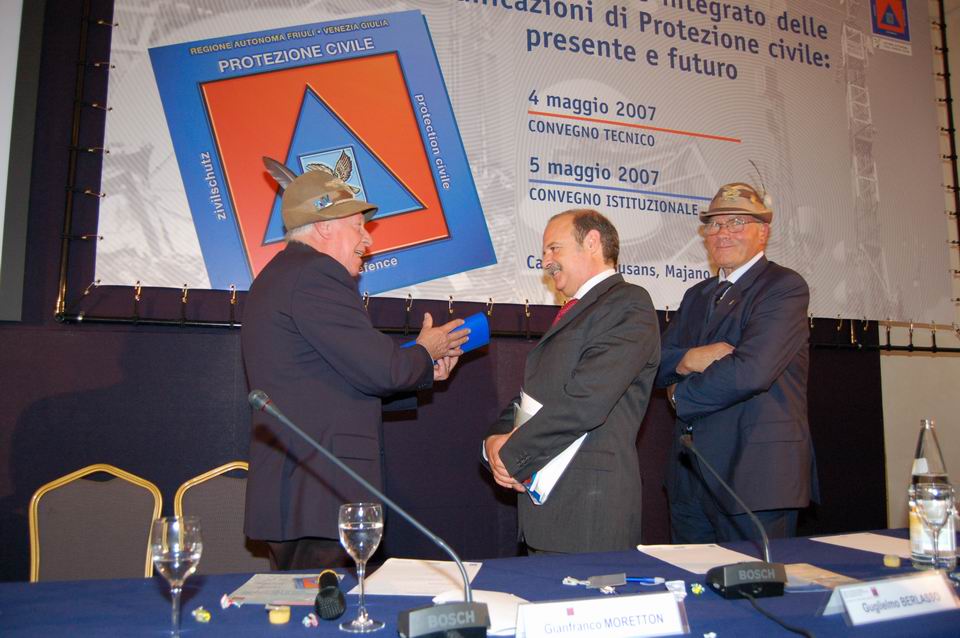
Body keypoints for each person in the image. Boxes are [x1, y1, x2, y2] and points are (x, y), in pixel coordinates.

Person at [242, 159, 468, 570]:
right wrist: (425, 350)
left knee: (308, 607)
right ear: (324, 226)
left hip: (301, 495)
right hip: (319, 494)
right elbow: (380, 370)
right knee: (332, 607)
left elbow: (338, 379)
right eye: (358, 226)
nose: (367, 239)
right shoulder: (316, 274)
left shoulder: (282, 276)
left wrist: (421, 372)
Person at [484, 209, 660, 554]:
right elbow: (534, 397)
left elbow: (586, 401)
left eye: (554, 248)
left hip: (588, 515)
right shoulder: (577, 311)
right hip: (549, 516)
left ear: (592, 242)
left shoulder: (628, 304)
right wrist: (493, 443)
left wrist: (512, 454)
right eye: (543, 253)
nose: (545, 262)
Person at [657, 182, 818, 543]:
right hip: (690, 478)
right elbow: (656, 363)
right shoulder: (697, 295)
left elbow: (750, 372)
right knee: (690, 577)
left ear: (764, 232)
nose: (723, 232)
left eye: (736, 222)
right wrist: (691, 358)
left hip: (754, 478)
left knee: (755, 579)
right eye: (714, 224)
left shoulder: (783, 287)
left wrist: (679, 395)